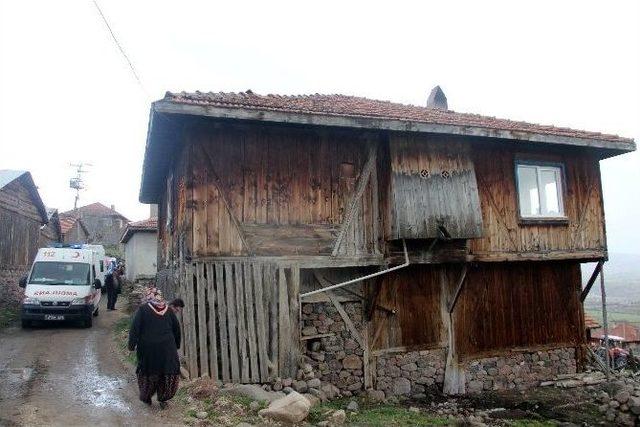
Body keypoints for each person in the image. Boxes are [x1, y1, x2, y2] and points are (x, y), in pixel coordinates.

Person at [128, 287, 181, 408]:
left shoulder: (143, 310)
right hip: (167, 348)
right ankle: (163, 399)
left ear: (148, 297)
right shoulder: (168, 311)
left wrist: (131, 345)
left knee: (148, 372)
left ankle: (147, 397)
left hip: (148, 349)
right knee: (166, 372)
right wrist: (176, 345)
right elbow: (176, 330)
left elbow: (134, 329)